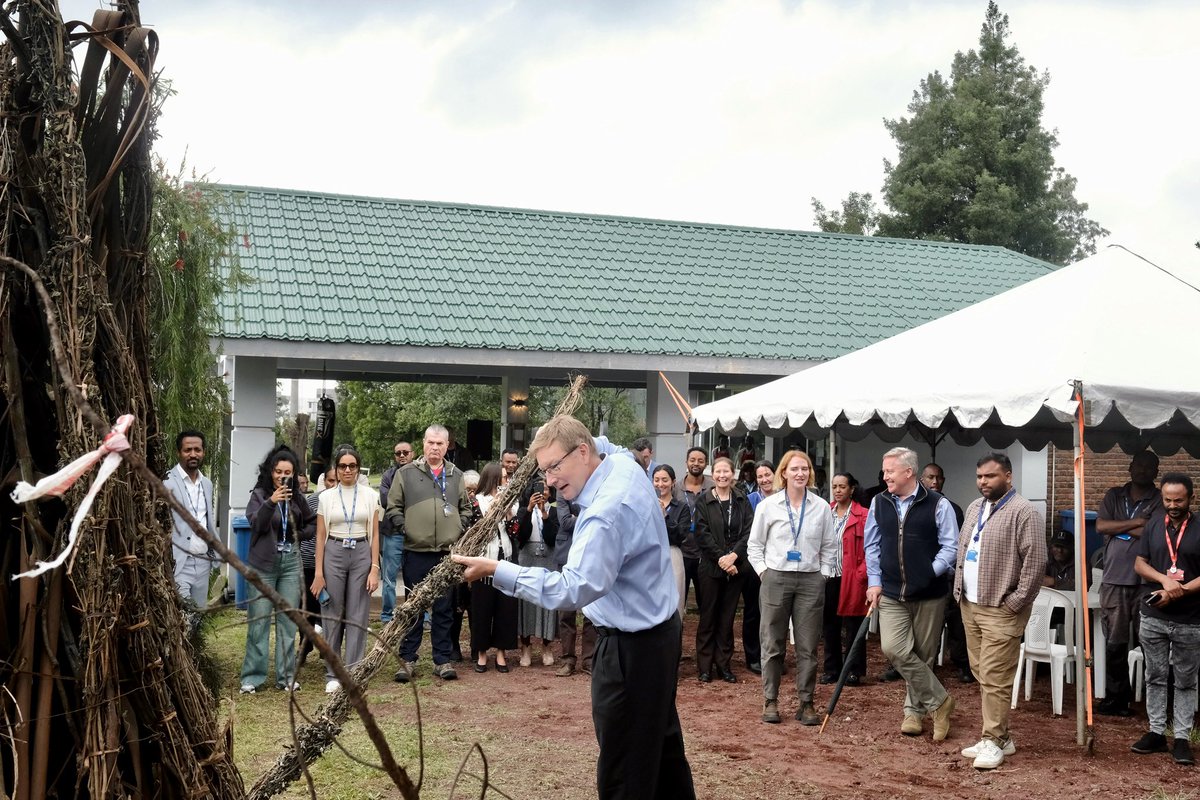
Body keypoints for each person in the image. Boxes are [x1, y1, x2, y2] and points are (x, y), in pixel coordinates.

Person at [453, 416, 695, 799]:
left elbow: (571, 588)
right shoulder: (622, 464)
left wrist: (496, 570)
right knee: (663, 758)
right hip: (659, 637)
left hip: (631, 652)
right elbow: (606, 444)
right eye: (544, 470)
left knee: (625, 773)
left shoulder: (606, 514)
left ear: (583, 453)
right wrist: (556, 433)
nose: (550, 481)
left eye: (554, 467)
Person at [954, 453, 1045, 770]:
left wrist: (1016, 602)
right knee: (982, 672)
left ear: (1008, 476)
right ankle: (1001, 738)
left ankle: (992, 740)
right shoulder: (974, 508)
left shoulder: (1024, 512)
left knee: (995, 675)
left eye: (990, 476)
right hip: (970, 604)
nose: (983, 482)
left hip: (1001, 608)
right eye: (979, 476)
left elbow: (1036, 562)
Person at [864, 446, 958, 741]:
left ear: (909, 472)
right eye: (884, 471)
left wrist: (929, 572)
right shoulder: (879, 502)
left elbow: (951, 546)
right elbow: (872, 545)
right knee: (894, 649)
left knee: (923, 655)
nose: (885, 476)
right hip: (892, 591)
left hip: (929, 593)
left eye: (890, 471)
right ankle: (940, 702)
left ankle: (914, 713)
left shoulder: (938, 504)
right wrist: (874, 581)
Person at [747, 449, 837, 725]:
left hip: (810, 580)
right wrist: (764, 573)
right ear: (783, 473)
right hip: (776, 578)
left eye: (805, 469)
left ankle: (806, 703)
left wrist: (823, 575)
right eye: (795, 469)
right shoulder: (768, 506)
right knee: (772, 643)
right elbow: (755, 545)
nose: (800, 474)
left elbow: (830, 545)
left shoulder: (821, 506)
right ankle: (770, 700)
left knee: (808, 647)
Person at [388, 424, 474, 683]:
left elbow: (466, 508)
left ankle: (442, 660)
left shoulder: (456, 475)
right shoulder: (405, 473)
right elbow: (393, 507)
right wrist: (406, 528)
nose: (435, 447)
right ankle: (408, 659)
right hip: (415, 551)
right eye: (430, 442)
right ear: (423, 444)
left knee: (444, 608)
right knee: (414, 607)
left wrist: (458, 527)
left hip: (446, 554)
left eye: (440, 443)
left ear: (447, 446)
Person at [1131, 472, 1200, 766]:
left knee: (1185, 680)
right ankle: (1156, 732)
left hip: (1190, 619)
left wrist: (1178, 591)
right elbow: (1139, 563)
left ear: (1191, 498)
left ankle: (1182, 738)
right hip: (1153, 616)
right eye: (1167, 500)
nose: (1172, 505)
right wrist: (1164, 580)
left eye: (1178, 500)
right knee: (1155, 676)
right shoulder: (1153, 525)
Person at [240, 445, 316, 693]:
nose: (283, 476)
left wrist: (298, 535)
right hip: (263, 565)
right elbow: (256, 524)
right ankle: (252, 678)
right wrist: (271, 502)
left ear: (293, 474)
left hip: (290, 563)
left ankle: (286, 677)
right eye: (278, 471)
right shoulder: (260, 495)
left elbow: (312, 523)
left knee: (288, 622)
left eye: (288, 472)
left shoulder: (297, 497)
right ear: (270, 472)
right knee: (259, 622)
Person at [310, 445, 381, 693]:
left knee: (357, 613)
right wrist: (318, 573)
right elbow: (320, 536)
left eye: (352, 466)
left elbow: (375, 534)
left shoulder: (370, 495)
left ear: (358, 469)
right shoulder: (326, 497)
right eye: (342, 466)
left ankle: (353, 670)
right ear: (336, 469)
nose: (347, 470)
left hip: (361, 551)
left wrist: (374, 568)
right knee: (331, 613)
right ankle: (333, 673)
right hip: (334, 550)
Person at [1097, 450, 1163, 716]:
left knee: (1151, 643)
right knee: (1115, 643)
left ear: (1156, 472)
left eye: (1149, 467)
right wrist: (1136, 522)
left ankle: (1154, 703)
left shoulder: (1160, 499)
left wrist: (1119, 526)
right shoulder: (1114, 495)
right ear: (1130, 467)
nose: (1143, 470)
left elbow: (1155, 532)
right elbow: (1101, 526)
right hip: (1114, 579)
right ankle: (1117, 699)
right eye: (1139, 465)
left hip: (1147, 582)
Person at [693, 457, 753, 684]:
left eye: (726, 471)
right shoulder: (704, 500)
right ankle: (705, 667)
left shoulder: (741, 499)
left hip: (736, 568)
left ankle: (724, 665)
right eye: (718, 471)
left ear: (733, 473)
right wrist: (721, 559)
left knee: (727, 619)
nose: (722, 476)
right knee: (708, 617)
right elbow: (702, 534)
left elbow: (749, 532)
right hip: (711, 567)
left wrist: (733, 557)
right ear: (713, 474)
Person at [921, 462, 973, 684]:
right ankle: (922, 665)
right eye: (930, 477)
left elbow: (960, 544)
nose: (934, 482)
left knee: (956, 622)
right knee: (925, 624)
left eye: (938, 477)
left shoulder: (953, 509)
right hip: (923, 574)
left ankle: (961, 664)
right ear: (921, 480)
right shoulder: (915, 506)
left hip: (949, 575)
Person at [470, 463, 518, 672]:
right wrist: (493, 510)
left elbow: (515, 532)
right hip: (483, 559)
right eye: (504, 477)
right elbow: (476, 531)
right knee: (482, 607)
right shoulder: (476, 502)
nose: (507, 481)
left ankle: (501, 653)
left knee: (505, 608)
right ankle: (481, 653)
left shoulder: (510, 501)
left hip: (504, 556)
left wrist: (508, 513)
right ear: (494, 479)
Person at [828, 471, 870, 686]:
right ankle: (831, 669)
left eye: (842, 486)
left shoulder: (864, 515)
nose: (838, 490)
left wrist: (862, 573)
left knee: (853, 626)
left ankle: (853, 670)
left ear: (852, 489)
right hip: (829, 575)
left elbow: (873, 548)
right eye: (834, 486)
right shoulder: (826, 511)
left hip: (852, 577)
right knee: (830, 625)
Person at [166, 430, 217, 608]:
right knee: (183, 614)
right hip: (180, 561)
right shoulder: (166, 481)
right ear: (179, 452)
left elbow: (207, 520)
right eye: (188, 450)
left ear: (203, 452)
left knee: (198, 615)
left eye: (198, 450)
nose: (193, 454)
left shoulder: (207, 484)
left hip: (203, 561)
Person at [515, 473, 559, 667]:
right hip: (527, 557)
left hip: (548, 558)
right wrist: (529, 510)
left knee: (547, 600)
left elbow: (552, 538)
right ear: (531, 492)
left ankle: (546, 647)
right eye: (539, 489)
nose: (543, 492)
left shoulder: (554, 510)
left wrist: (544, 514)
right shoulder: (523, 510)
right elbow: (521, 536)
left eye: (546, 489)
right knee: (525, 601)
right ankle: (525, 647)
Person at [552, 497, 597, 677]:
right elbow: (565, 522)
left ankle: (589, 659)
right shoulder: (563, 491)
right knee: (566, 611)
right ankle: (567, 659)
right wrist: (589, 517)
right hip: (566, 555)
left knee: (591, 611)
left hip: (591, 553)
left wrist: (577, 517)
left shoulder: (594, 491)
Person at [299, 467, 335, 668]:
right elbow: (305, 528)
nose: (334, 485)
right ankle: (304, 646)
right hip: (309, 562)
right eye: (330, 480)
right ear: (324, 481)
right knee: (307, 607)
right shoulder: (313, 500)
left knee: (332, 607)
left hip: (335, 563)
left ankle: (329, 647)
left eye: (337, 480)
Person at [378, 441, 414, 624]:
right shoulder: (388, 475)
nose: (401, 455)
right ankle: (387, 616)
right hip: (392, 532)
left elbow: (421, 500)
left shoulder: (421, 474)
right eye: (398, 453)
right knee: (389, 578)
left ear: (412, 453)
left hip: (416, 534)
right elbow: (386, 501)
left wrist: (398, 498)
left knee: (415, 578)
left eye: (405, 452)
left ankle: (418, 614)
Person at [653, 465, 691, 621]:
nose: (660, 484)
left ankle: (675, 632)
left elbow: (679, 536)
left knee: (675, 599)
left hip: (672, 552)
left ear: (673, 482)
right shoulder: (645, 504)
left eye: (665, 480)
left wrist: (665, 517)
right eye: (656, 480)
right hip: (650, 554)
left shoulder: (682, 508)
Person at [680, 447, 715, 609]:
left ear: (706, 464)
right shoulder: (676, 488)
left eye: (700, 461)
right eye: (692, 460)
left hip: (705, 554)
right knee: (678, 601)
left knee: (706, 603)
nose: (696, 464)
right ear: (686, 462)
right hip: (682, 553)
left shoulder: (713, 488)